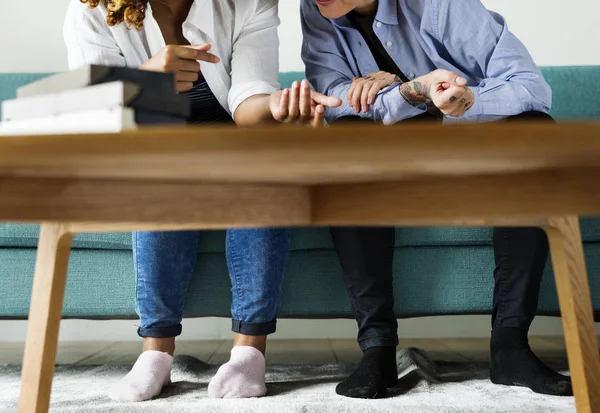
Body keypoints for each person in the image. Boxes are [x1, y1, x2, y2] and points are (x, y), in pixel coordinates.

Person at [64, 0, 342, 402]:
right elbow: (91, 111)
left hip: (235, 147)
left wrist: (276, 106)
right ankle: (155, 355)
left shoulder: (249, 3)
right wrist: (143, 81)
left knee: (268, 172)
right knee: (161, 174)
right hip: (151, 145)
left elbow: (248, 98)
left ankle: (248, 354)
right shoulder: (92, 8)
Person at [300, 0, 572, 399]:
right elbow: (338, 105)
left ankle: (510, 346)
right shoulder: (317, 8)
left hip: (474, 147)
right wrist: (413, 90)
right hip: (389, 161)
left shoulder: (441, 5)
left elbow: (531, 87)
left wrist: (462, 102)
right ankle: (376, 348)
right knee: (345, 145)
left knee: (537, 133)